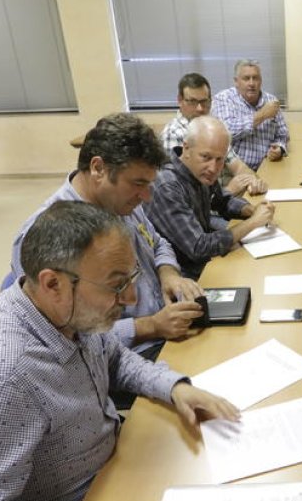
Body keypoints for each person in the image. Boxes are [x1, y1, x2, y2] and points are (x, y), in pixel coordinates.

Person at [0, 200, 239, 501]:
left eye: (131, 280)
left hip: (113, 478)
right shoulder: (0, 378)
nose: (130, 300)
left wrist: (174, 387)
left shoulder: (67, 312)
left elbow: (113, 357)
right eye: (117, 285)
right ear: (53, 284)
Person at [10, 114, 204, 362]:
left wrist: (169, 273)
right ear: (98, 168)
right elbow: (60, 338)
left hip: (168, 329)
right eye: (138, 183)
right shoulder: (43, 236)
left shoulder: (123, 202)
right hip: (126, 358)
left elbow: (157, 242)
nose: (146, 196)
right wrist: (149, 326)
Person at [147, 116, 277, 280]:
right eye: (206, 157)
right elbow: (199, 248)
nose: (213, 168)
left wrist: (251, 210)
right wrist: (253, 223)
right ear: (186, 148)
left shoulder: (200, 171)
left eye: (220, 159)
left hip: (205, 261)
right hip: (186, 275)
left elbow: (223, 201)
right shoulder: (168, 187)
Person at [161, 72, 266, 197]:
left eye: (204, 102)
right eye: (192, 102)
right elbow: (189, 198)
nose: (200, 108)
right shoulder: (173, 135)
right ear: (180, 100)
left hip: (225, 201)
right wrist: (229, 190)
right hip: (206, 211)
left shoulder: (212, 128)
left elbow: (238, 166)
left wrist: (253, 182)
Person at [211, 59, 289, 171]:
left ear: (261, 81)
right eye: (246, 78)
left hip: (267, 168)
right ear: (236, 81)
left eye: (255, 78)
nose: (251, 83)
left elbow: (283, 134)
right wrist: (262, 115)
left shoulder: (271, 100)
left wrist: (279, 149)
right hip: (234, 171)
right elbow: (225, 132)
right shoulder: (223, 99)